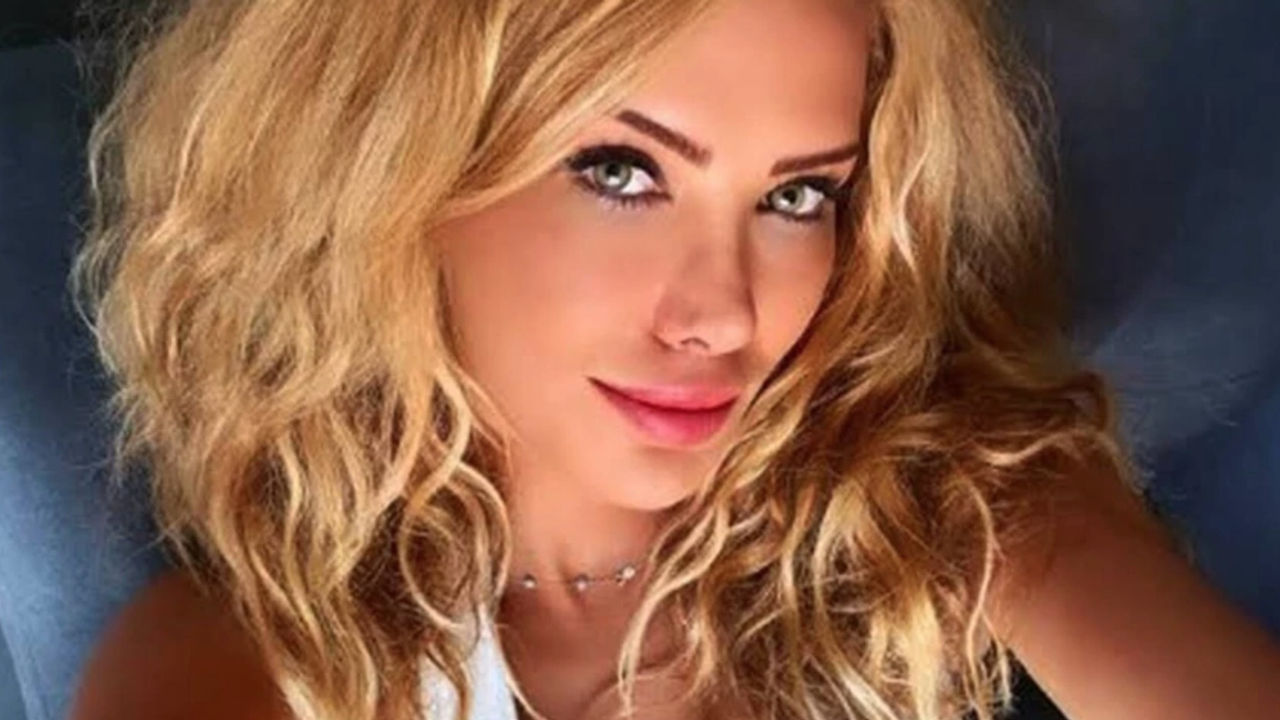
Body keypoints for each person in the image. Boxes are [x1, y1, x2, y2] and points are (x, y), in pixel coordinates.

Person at [66, 0, 1280, 719]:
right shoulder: (253, 664)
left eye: (796, 197)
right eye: (621, 172)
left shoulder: (950, 496)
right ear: (395, 173)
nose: (722, 314)